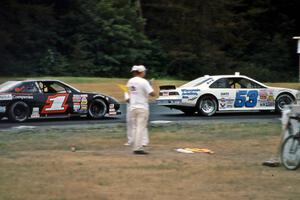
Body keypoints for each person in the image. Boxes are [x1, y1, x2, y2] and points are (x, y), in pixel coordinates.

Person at [126, 65, 155, 154]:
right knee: (140, 127)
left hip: (132, 107)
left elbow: (129, 93)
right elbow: (152, 93)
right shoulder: (144, 82)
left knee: (134, 127)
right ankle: (138, 147)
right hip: (142, 106)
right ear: (141, 72)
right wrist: (151, 86)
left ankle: (135, 145)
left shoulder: (130, 81)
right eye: (144, 72)